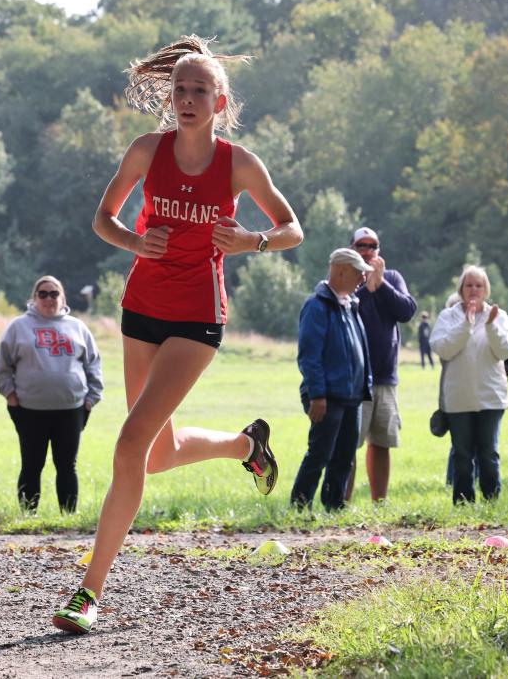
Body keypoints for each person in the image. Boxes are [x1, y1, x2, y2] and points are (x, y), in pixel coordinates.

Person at [51, 35, 302, 635]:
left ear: (219, 101)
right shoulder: (146, 151)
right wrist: (137, 242)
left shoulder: (238, 163)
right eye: (180, 89)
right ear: (170, 97)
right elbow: (102, 219)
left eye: (200, 91)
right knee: (155, 454)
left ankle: (89, 592)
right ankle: (248, 447)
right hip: (141, 309)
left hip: (197, 318)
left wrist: (252, 241)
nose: (187, 99)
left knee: (130, 440)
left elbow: (292, 228)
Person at [0, 276, 103, 513]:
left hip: (71, 409)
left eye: (54, 294)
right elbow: (2, 366)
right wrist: (10, 396)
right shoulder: (18, 327)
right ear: (34, 298)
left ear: (62, 297)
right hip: (30, 410)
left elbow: (93, 365)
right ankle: (28, 515)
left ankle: (68, 515)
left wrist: (91, 399)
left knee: (67, 465)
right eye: (43, 294)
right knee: (32, 464)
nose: (48, 299)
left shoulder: (77, 327)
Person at [292, 248, 373, 511]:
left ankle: (335, 506)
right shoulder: (316, 306)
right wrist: (317, 395)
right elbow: (309, 355)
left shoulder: (351, 305)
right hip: (327, 396)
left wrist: (364, 386)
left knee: (345, 456)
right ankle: (300, 506)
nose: (363, 278)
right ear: (340, 270)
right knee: (319, 454)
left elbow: (361, 348)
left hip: (351, 395)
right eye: (359, 272)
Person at [430, 266, 508, 504]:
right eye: (469, 285)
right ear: (461, 288)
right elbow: (443, 348)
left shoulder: (499, 316)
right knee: (462, 454)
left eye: (478, 285)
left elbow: (506, 350)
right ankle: (462, 501)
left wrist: (490, 326)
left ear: (486, 289)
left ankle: (491, 499)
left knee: (489, 453)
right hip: (458, 398)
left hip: (491, 397)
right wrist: (466, 325)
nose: (473, 290)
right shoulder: (448, 316)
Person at [347, 227, 416, 503]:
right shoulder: (345, 278)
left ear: (379, 250)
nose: (367, 250)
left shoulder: (393, 278)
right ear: (352, 248)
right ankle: (342, 501)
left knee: (382, 443)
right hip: (354, 379)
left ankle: (380, 501)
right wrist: (366, 288)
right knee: (349, 444)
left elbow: (406, 311)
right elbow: (345, 310)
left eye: (372, 245)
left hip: (385, 377)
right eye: (361, 245)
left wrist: (381, 285)